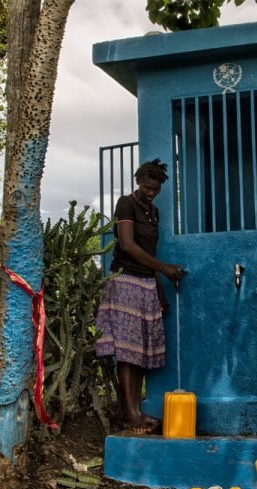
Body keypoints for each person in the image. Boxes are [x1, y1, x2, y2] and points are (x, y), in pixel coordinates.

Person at [95, 159, 183, 434]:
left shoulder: (153, 212)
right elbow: (128, 245)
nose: (150, 193)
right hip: (125, 282)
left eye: (155, 189)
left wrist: (159, 291)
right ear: (138, 182)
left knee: (139, 351)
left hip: (145, 284)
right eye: (147, 187)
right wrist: (165, 269)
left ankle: (135, 412)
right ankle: (130, 414)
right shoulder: (126, 204)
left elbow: (149, 255)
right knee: (126, 351)